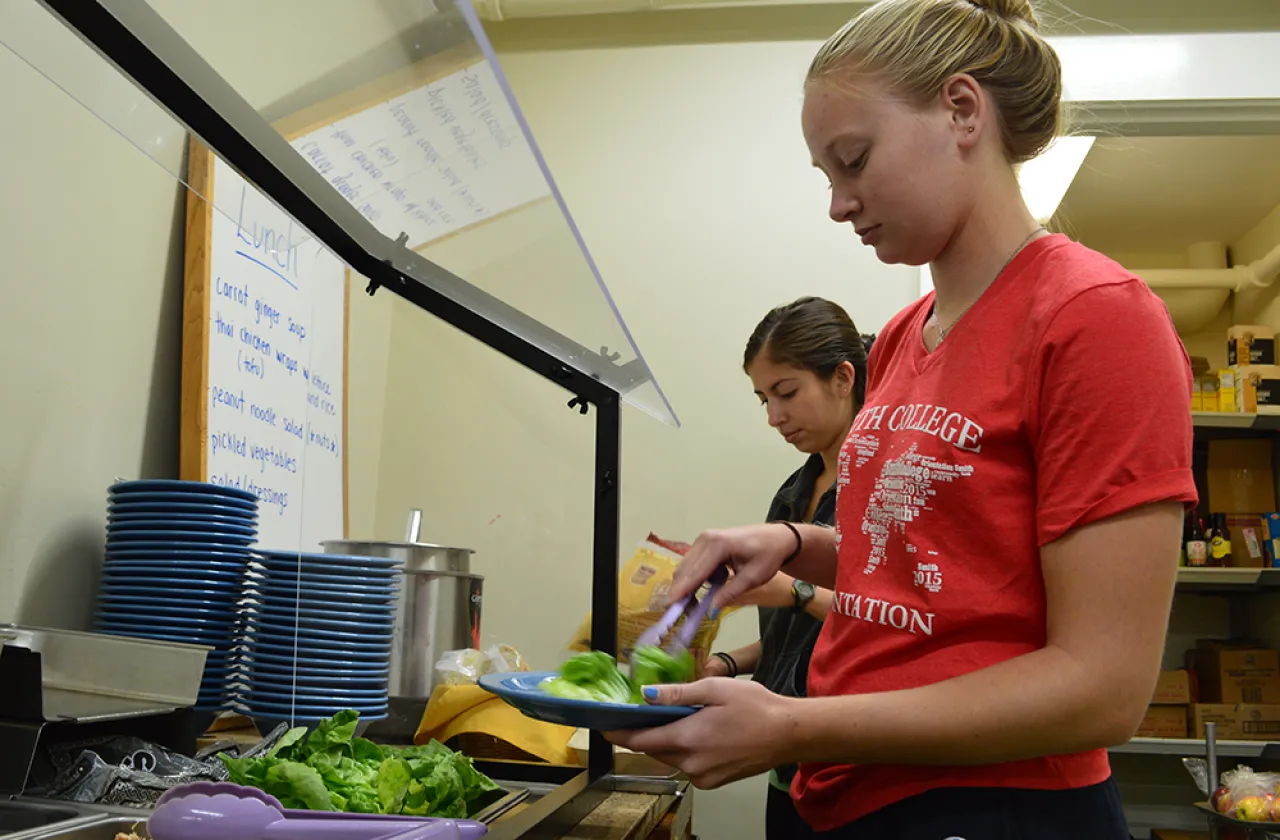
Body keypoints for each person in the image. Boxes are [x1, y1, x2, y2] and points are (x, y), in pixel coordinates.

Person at [608, 0, 1197, 837]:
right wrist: (794, 543)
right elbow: (933, 574)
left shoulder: (1094, 317)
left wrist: (793, 722)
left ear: (962, 110)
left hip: (998, 807)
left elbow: (1102, 688)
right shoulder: (897, 341)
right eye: (827, 178)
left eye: (854, 161)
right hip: (857, 792)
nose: (839, 205)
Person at [701, 297, 870, 839]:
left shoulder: (885, 491)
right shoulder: (792, 494)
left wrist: (792, 591)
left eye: (787, 393)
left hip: (855, 766)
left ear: (843, 378)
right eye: (763, 399)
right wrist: (726, 664)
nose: (775, 417)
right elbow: (796, 636)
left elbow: (888, 620)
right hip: (787, 765)